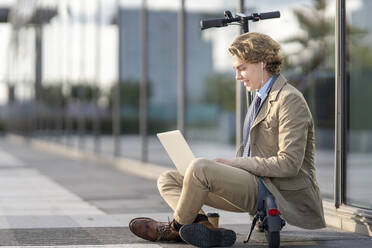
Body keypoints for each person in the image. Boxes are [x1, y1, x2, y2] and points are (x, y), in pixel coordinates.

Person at [129, 32, 326, 247]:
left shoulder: (289, 100)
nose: (237, 76)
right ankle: (204, 227)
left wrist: (233, 163)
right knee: (168, 179)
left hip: (274, 189)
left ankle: (173, 230)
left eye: (242, 68)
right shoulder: (260, 98)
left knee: (200, 168)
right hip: (252, 182)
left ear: (263, 63)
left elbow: (289, 164)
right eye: (236, 70)